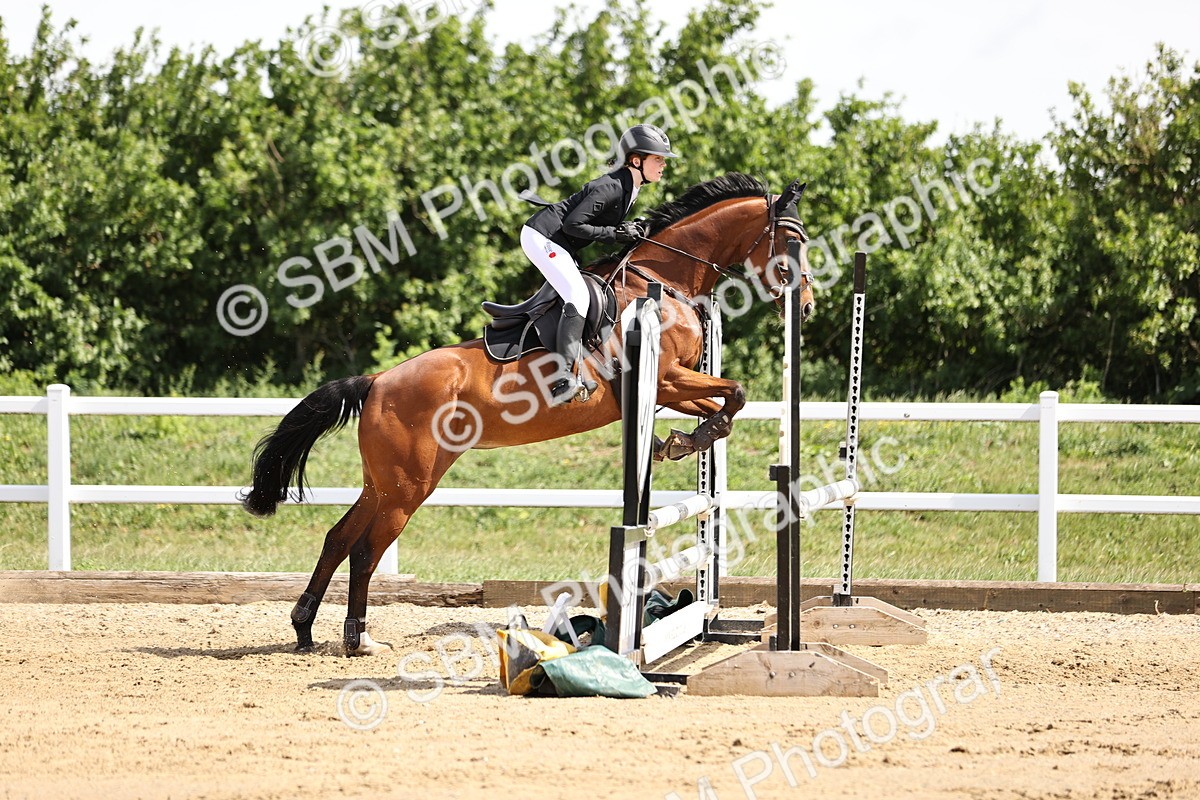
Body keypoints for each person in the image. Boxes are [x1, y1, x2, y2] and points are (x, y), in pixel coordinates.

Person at [521, 123, 679, 405]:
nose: (663, 165)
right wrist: (615, 234)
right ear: (636, 160)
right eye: (658, 159)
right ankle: (561, 379)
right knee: (578, 294)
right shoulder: (612, 186)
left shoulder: (629, 187)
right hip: (541, 237)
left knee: (583, 294)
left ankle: (579, 364)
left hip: (558, 242)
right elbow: (573, 225)